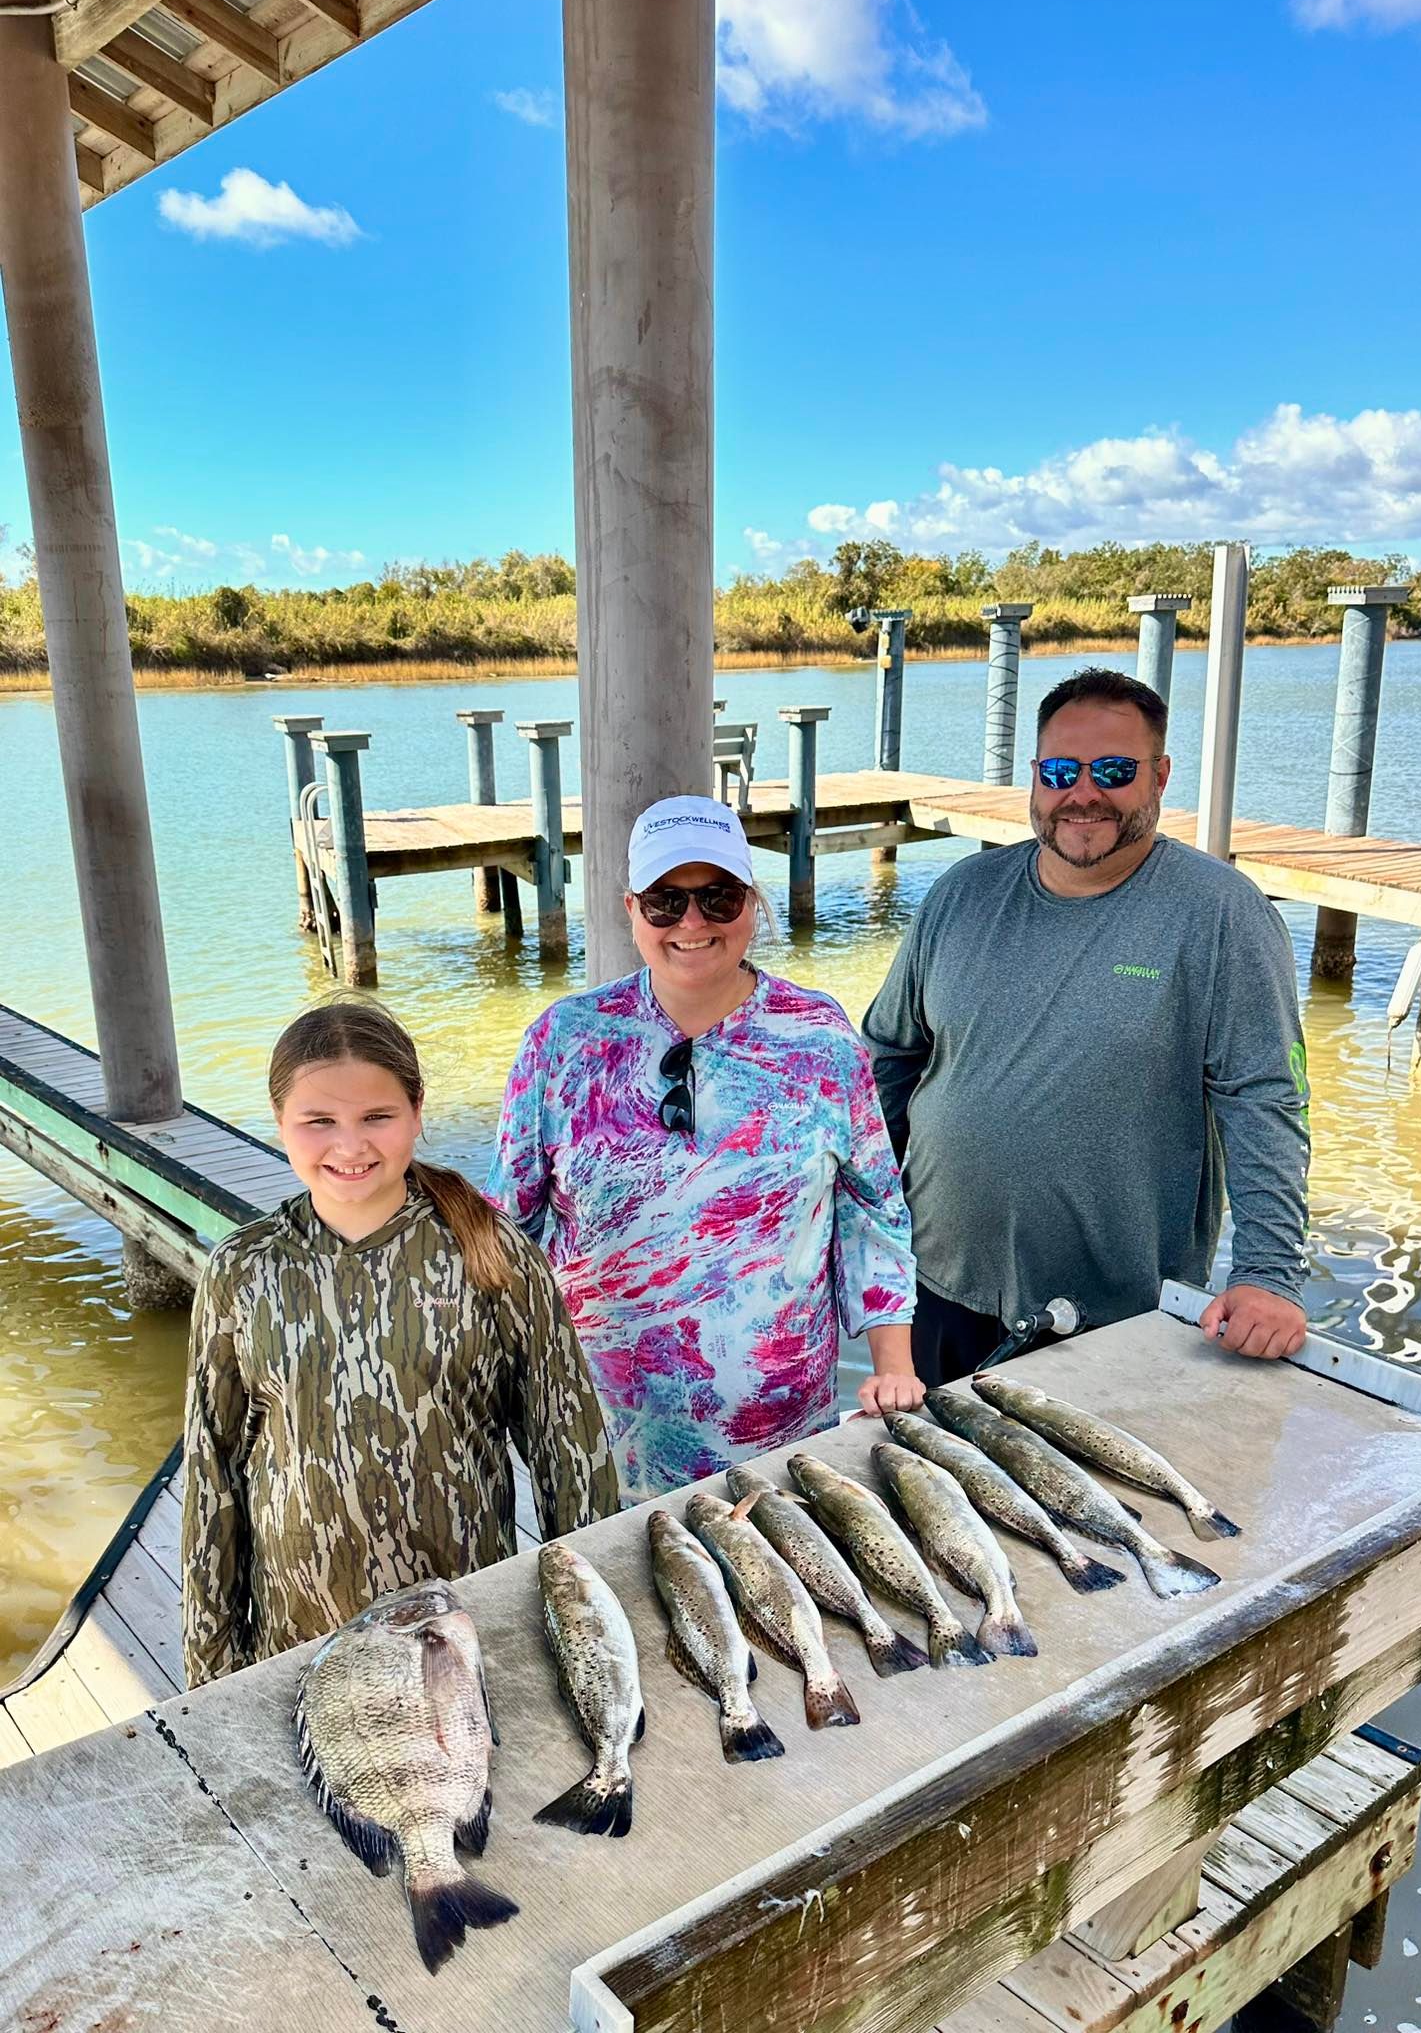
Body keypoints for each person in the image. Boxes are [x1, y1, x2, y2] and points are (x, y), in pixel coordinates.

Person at [863, 667, 1310, 1384]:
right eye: (1061, 770)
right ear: (1036, 777)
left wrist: (1269, 1275)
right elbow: (885, 1063)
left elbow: (1266, 1102)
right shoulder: (960, 896)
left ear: (1159, 776)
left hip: (1118, 1318)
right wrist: (859, 1225)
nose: (1084, 793)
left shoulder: (1222, 915)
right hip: (938, 1288)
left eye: (1113, 770)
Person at [487, 794, 921, 1505]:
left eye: (718, 898)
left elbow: (873, 1211)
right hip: (600, 1436)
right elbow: (507, 1230)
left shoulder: (822, 1038)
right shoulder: (562, 1040)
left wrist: (891, 1365)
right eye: (666, 902)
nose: (692, 922)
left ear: (752, 904)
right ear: (631, 910)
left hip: (782, 1441)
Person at [182, 1000, 619, 1689]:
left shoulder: (492, 1251)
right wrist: (210, 1675)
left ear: (416, 1110)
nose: (350, 1146)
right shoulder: (242, 1268)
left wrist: (593, 1646)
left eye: (376, 1118)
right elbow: (214, 1476)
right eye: (318, 1122)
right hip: (298, 1640)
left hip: (459, 1635)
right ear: (279, 1124)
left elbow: (573, 1455)